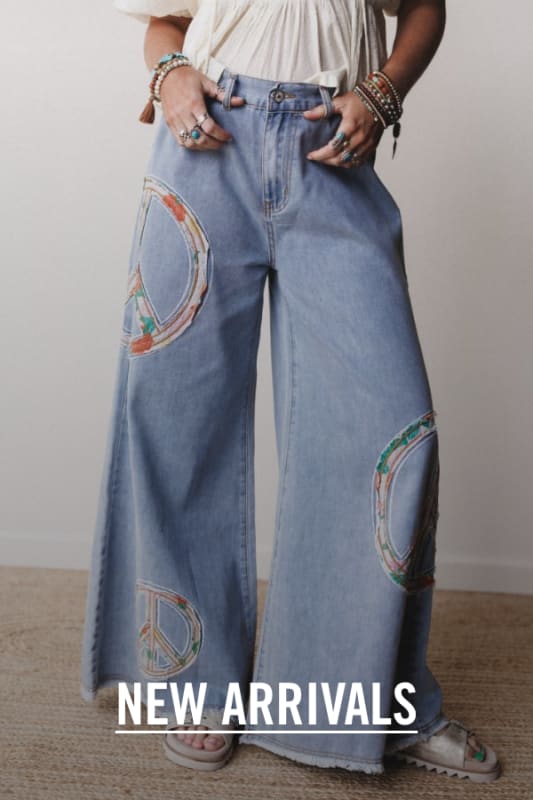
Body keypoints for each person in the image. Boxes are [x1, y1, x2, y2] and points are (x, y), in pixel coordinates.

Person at [80, 0, 501, 782]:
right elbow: (165, 21)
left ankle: (364, 700)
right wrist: (170, 75)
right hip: (205, 148)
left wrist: (381, 92)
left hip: (330, 149)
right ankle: (197, 686)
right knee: (177, 417)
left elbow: (424, 8)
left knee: (389, 430)